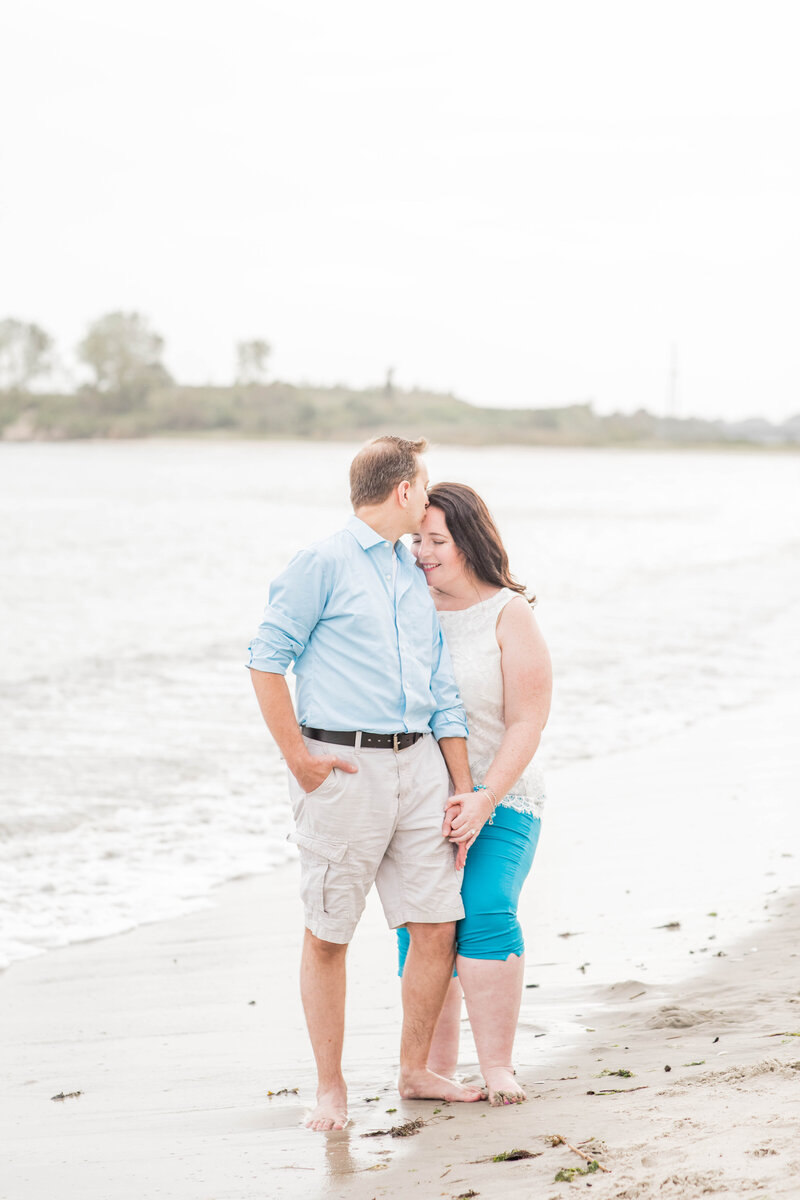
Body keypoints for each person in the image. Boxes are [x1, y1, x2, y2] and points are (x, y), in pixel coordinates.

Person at [247, 437, 484, 1132]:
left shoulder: (413, 570)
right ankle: (331, 1089)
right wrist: (299, 759)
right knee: (330, 932)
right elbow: (265, 659)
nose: (427, 496)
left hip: (422, 767)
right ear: (405, 491)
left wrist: (463, 789)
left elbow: (442, 689)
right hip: (344, 769)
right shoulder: (320, 563)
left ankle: (415, 1071)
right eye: (424, 485)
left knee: (436, 923)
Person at [396, 482, 552, 1106]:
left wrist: (485, 796)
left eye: (437, 540)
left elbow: (527, 722)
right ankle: (435, 1070)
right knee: (424, 928)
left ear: (468, 541)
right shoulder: (406, 607)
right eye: (416, 540)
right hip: (422, 804)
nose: (423, 553)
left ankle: (498, 1068)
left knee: (486, 908)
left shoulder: (509, 613)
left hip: (503, 796)